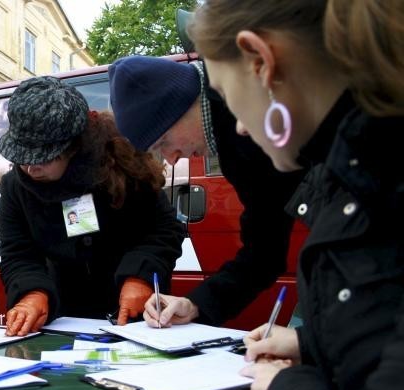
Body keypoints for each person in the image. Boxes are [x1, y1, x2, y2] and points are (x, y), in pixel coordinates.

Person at [188, 0, 404, 390]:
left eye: (225, 94)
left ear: (261, 63)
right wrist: (315, 342)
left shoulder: (376, 182)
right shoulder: (352, 173)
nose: (239, 126)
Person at [108, 54, 305, 327]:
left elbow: (264, 250)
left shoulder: (243, 133)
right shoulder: (227, 134)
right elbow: (263, 252)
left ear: (184, 105)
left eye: (164, 141)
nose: (173, 158)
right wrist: (196, 304)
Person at [0, 76, 184, 336]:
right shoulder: (15, 187)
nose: (30, 168)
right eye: (22, 157)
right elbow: (18, 253)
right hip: (65, 316)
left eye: (43, 158)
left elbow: (164, 230)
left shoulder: (122, 165)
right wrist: (32, 293)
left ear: (73, 147)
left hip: (135, 312)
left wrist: (140, 276)